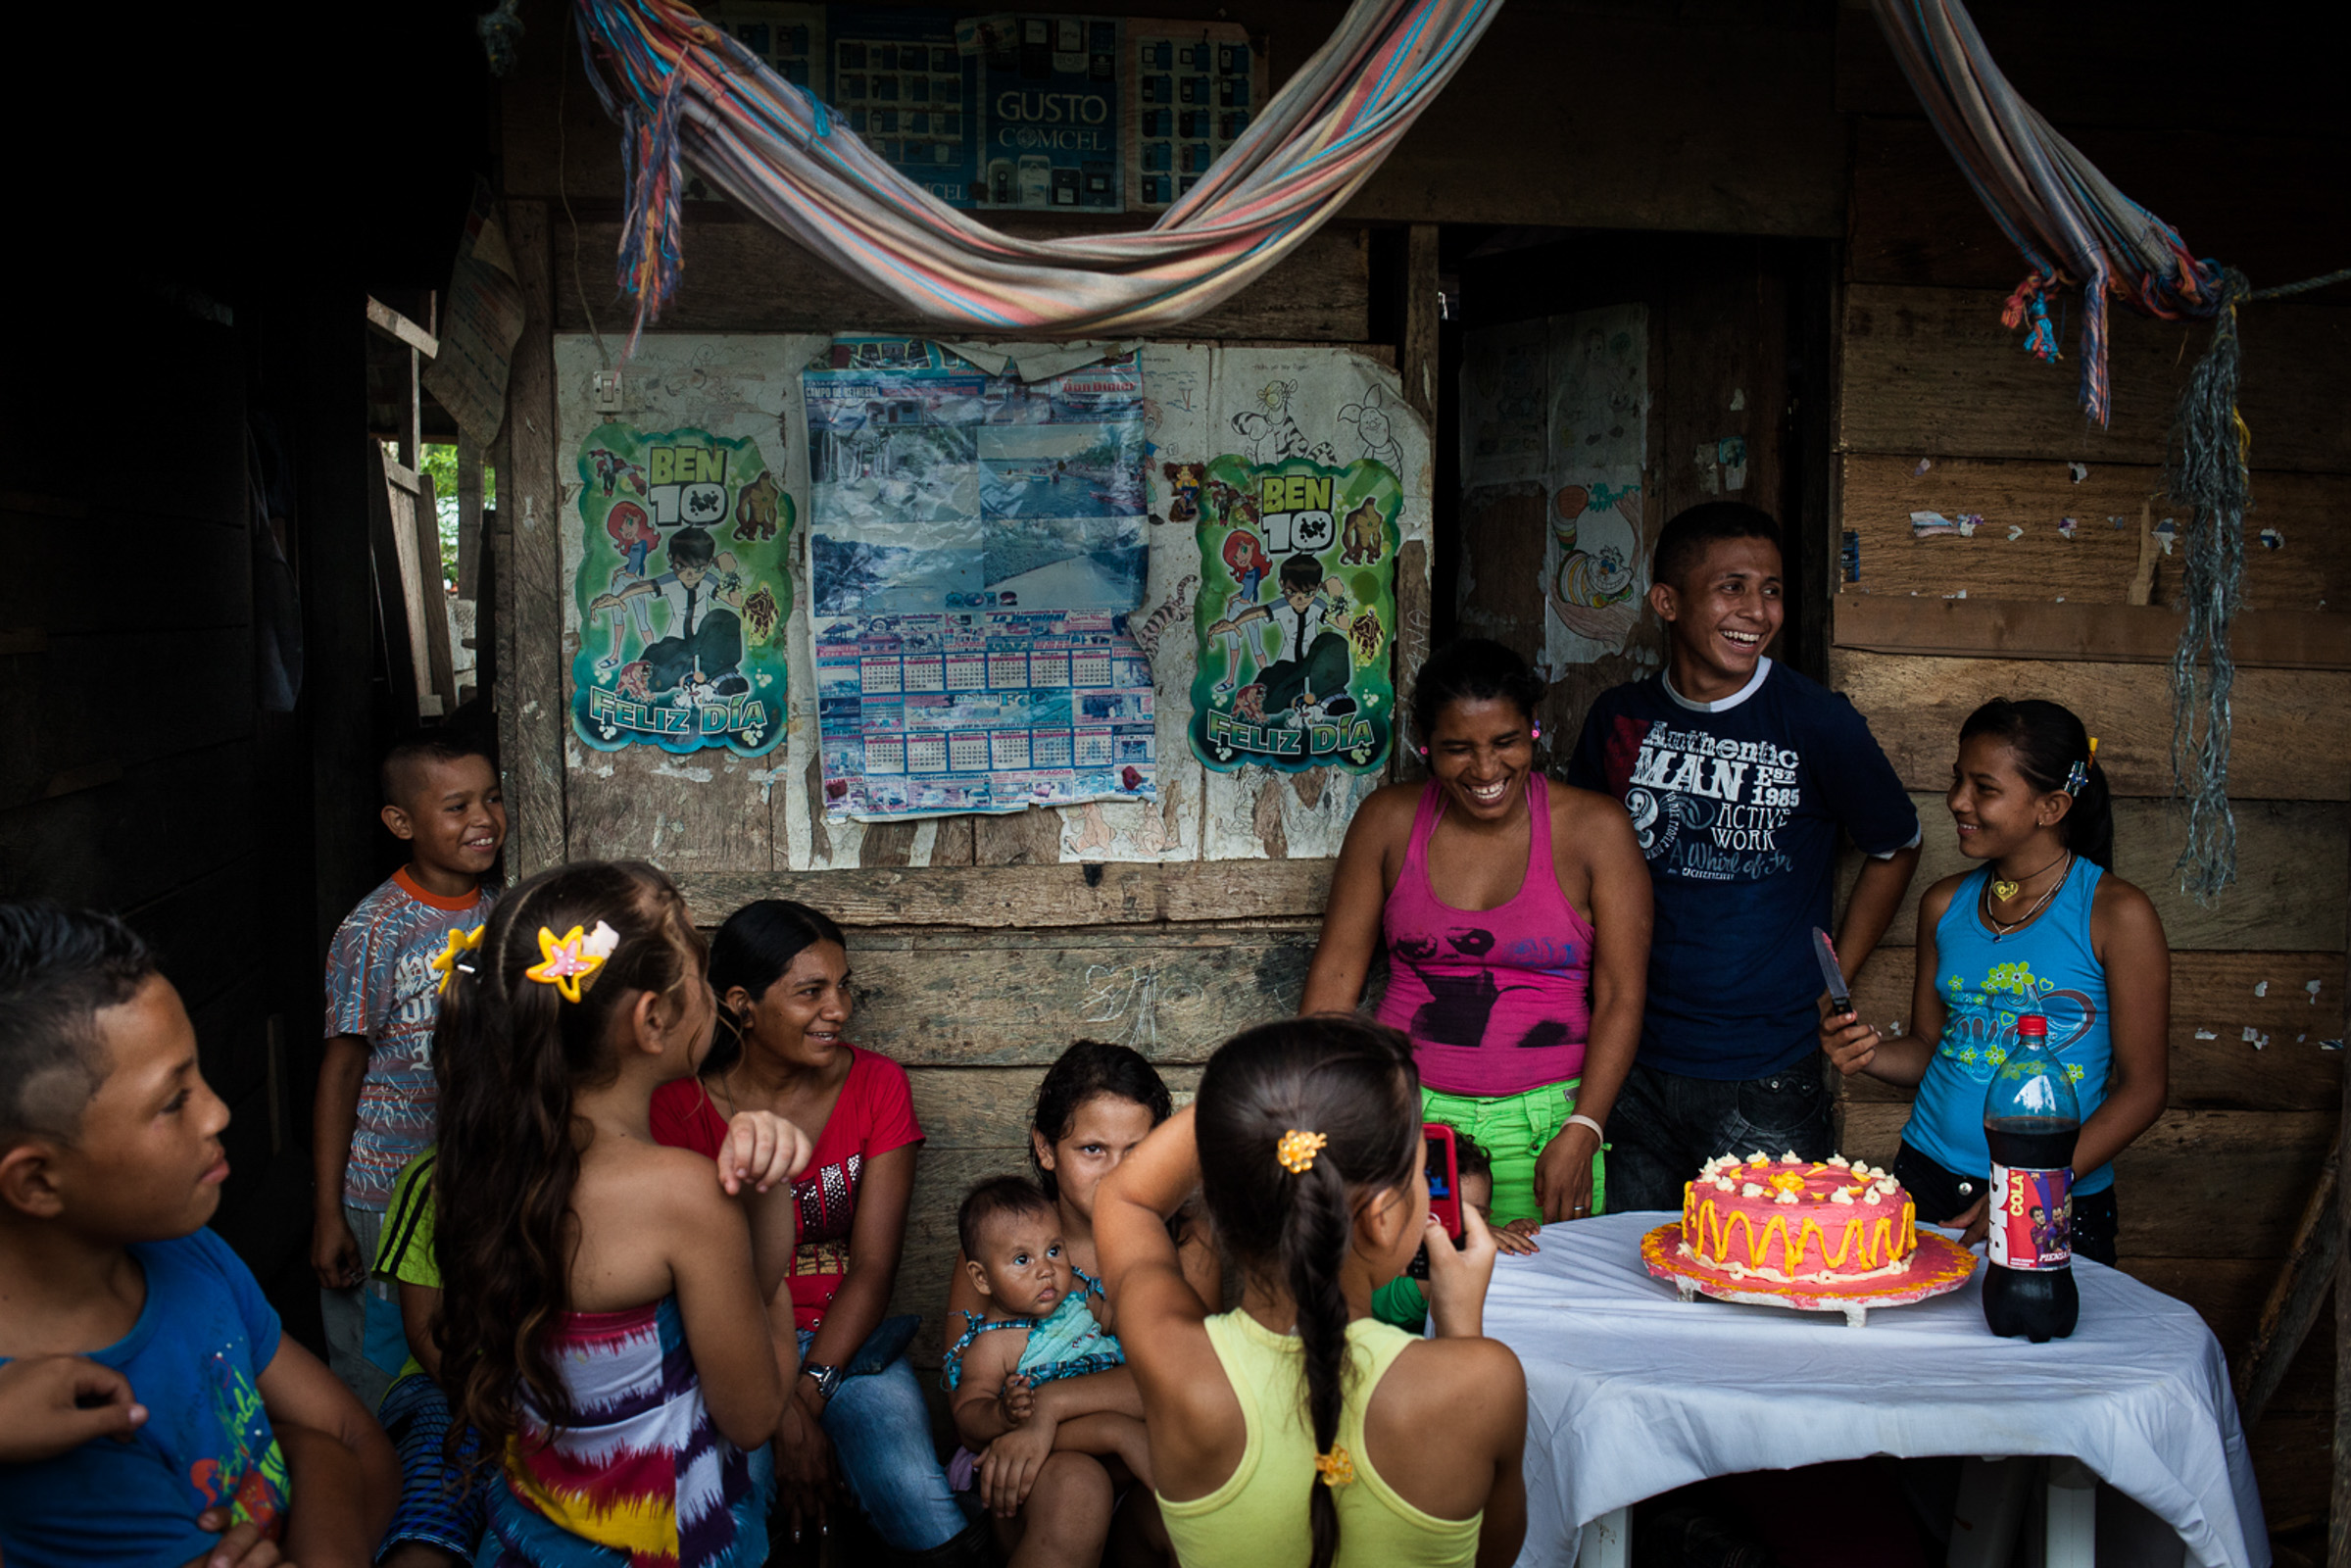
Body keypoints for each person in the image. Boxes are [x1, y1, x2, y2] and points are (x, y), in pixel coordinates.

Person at [433, 861, 811, 1567]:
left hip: (529, 1541)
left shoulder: (487, 1173)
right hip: (664, 1547)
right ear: (652, 1020)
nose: (709, 993)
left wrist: (763, 1191)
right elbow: (754, 1413)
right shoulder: (681, 1195)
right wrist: (776, 1271)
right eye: (698, 975)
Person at [0, 901, 399, 1568]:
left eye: (200, 1078)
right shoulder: (61, 1441)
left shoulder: (185, 1250)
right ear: (37, 1182)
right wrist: (312, 1459)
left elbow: (354, 1441)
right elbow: (327, 1447)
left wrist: (316, 1459)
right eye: (172, 1101)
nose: (218, 1112)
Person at [1566, 503, 1921, 1210]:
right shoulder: (1619, 719)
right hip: (1629, 1062)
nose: (1756, 611)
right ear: (1666, 601)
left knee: (1763, 1277)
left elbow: (1896, 846)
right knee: (1639, 1279)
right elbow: (1572, 857)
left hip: (1763, 1070)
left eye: (1772, 589)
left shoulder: (1816, 721)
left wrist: (1834, 974)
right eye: (1732, 586)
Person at [1098, 1016, 1527, 1568]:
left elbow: (1125, 1198)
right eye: (1420, 1171)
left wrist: (1253, 1103)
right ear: (1381, 1218)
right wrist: (1461, 1331)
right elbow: (1492, 1558)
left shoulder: (1179, 1368)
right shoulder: (1484, 1382)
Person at [649, 900, 979, 1565]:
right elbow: (693, 1289)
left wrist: (804, 1396)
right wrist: (776, 1416)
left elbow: (872, 1265)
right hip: (724, 1349)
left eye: (843, 985)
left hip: (846, 1348)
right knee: (738, 1502)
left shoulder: (876, 1085)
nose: (840, 1008)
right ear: (741, 1003)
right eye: (811, 992)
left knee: (917, 1496)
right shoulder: (677, 1105)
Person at [1303, 637, 1650, 1225]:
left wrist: (1585, 1127)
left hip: (1549, 1131)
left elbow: (1621, 995)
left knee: (1537, 1307)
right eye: (1458, 749)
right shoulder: (1387, 822)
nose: (1486, 770)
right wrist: (1319, 1114)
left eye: (1506, 743)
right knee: (1403, 1304)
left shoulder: (1595, 830)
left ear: (1533, 729)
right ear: (1426, 746)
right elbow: (1337, 978)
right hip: (1402, 1118)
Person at [1819, 699, 2167, 1264]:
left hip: (2054, 1195)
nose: (1957, 801)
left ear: (2050, 807)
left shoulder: (2115, 914)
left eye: (1985, 787)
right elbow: (1932, 1048)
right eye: (1958, 780)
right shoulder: (1945, 904)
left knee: (2033, 1341)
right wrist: (1869, 1054)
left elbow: (2144, 1090)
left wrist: (2034, 1184)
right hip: (1926, 1178)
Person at [941, 1038, 1222, 1568]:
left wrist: (1052, 1406)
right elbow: (970, 1409)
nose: (1117, 1172)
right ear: (1046, 1150)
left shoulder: (1187, 1242)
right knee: (1077, 1488)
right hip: (1035, 1481)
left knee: (1195, 1511)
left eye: (1136, 1151)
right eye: (1093, 1149)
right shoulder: (1005, 1250)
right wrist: (1103, 1426)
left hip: (1143, 1472)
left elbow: (1188, 1389)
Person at [313, 732, 506, 1409]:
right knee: (382, 1366)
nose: (483, 819)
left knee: (463, 1348)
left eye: (492, 798)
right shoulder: (375, 930)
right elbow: (341, 1071)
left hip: (470, 1182)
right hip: (381, 1191)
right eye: (456, 806)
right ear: (401, 822)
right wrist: (328, 1211)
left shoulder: (504, 914)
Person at [944, 1178, 1150, 1499]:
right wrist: (1000, 1413)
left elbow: (1124, 1324)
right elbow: (968, 1413)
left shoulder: (1079, 1296)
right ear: (982, 1278)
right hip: (1055, 1455)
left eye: (1054, 1250)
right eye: (1023, 1259)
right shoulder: (992, 1346)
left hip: (1100, 1408)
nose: (1046, 1270)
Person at [367, 1146, 488, 1567]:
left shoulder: (591, 1172)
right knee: (442, 1453)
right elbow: (427, 1336)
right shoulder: (437, 1177)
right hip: (449, 1379)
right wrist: (498, 1408)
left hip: (560, 1382)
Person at [1369, 1131, 1540, 1333]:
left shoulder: (1482, 1239)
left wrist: (1516, 1236)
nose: (1463, 1227)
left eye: (1477, 1215)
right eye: (1445, 1218)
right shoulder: (1382, 1268)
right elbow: (1411, 1295)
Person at [1207, 553, 1357, 720]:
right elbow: (1256, 612)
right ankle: (1298, 699)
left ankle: (1329, 696)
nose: (1300, 599)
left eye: (1308, 593)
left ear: (1317, 588)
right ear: (1282, 584)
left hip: (1314, 665)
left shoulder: (1317, 605)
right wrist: (1234, 623)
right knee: (1265, 698)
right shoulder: (1282, 606)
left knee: (1333, 641)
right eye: (1292, 592)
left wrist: (1337, 596)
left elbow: (1343, 624)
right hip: (1288, 666)